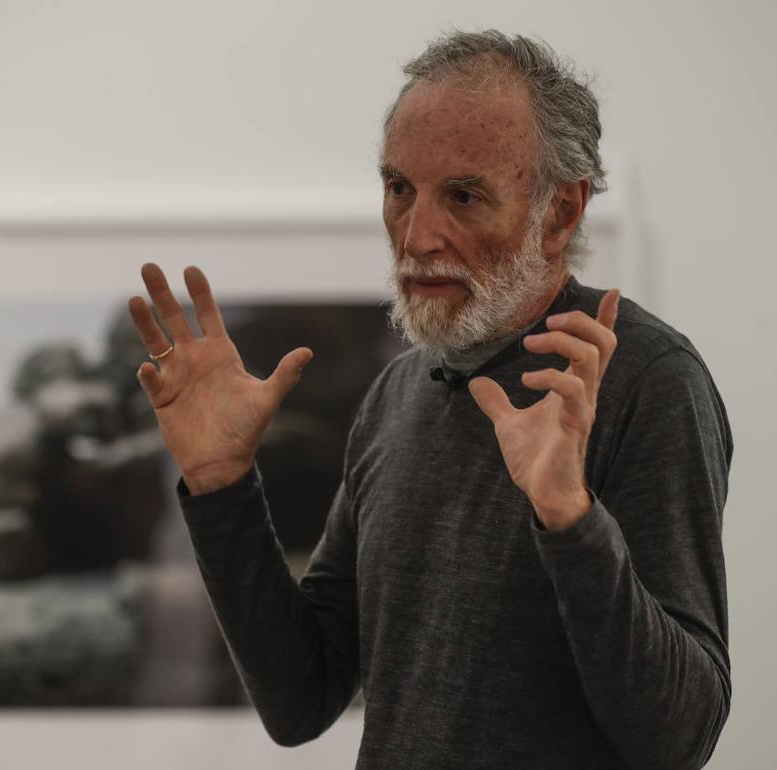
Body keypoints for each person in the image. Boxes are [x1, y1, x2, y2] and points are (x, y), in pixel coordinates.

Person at [128, 30, 732, 769]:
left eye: (463, 195)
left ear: (561, 212)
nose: (416, 236)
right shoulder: (398, 393)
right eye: (398, 189)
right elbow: (301, 698)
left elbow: (682, 735)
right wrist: (222, 485)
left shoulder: (646, 378)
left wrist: (570, 520)